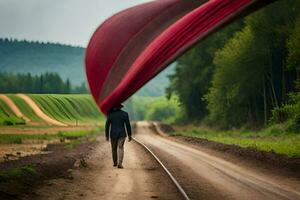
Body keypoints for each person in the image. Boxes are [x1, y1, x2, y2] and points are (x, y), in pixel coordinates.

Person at [105, 104, 132, 169]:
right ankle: (120, 163)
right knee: (120, 147)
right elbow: (128, 125)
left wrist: (107, 135)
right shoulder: (125, 114)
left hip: (113, 134)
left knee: (114, 148)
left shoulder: (110, 114)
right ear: (120, 107)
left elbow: (107, 125)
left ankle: (115, 163)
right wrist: (129, 135)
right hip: (122, 134)